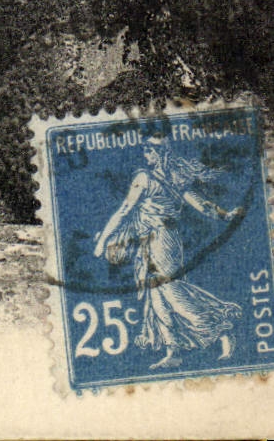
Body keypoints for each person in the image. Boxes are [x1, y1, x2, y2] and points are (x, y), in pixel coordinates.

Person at [91, 139, 244, 368]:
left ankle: (219, 328)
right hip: (149, 241)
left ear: (160, 153)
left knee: (171, 291)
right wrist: (224, 215)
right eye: (145, 151)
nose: (146, 156)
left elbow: (125, 210)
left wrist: (102, 240)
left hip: (163, 240)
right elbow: (202, 205)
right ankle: (173, 351)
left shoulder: (153, 179)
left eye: (149, 151)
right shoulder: (159, 177)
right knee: (157, 296)